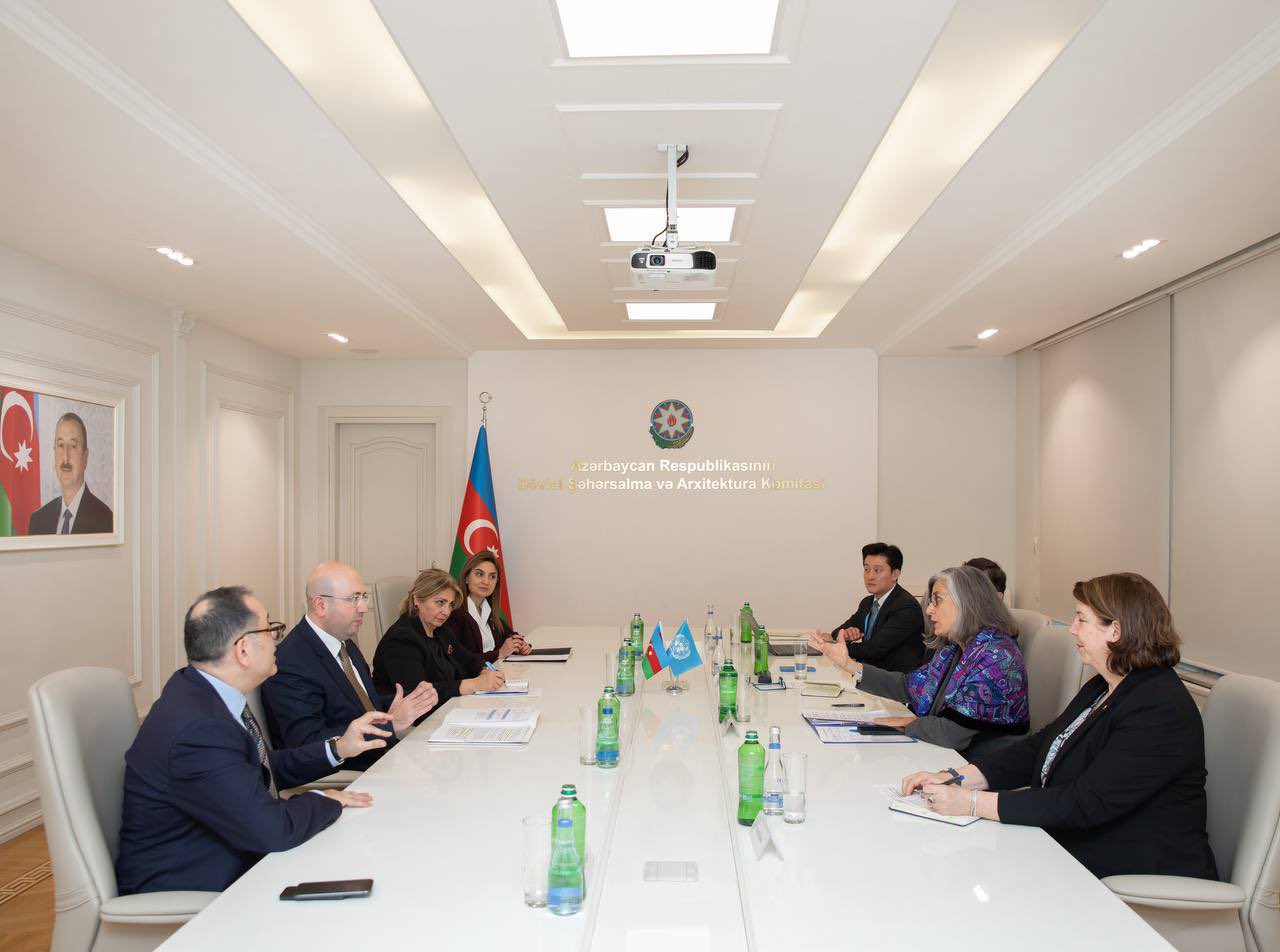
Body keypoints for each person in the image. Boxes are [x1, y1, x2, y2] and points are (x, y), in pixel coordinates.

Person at [902, 573, 1217, 881]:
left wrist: (971, 803)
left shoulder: (1159, 708)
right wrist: (956, 777)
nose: (1072, 629)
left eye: (1081, 619)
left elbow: (1085, 803)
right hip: (1074, 848)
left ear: (1115, 631)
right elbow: (1041, 746)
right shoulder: (1105, 685)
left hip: (1129, 869)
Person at [115, 586, 390, 894]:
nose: (277, 640)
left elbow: (258, 767)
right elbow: (273, 829)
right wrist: (326, 800)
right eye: (270, 629)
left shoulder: (202, 693)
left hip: (240, 855)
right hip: (200, 887)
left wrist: (338, 747)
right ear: (243, 650)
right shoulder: (200, 728)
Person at [809, 565, 1028, 752]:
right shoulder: (956, 648)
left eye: (937, 601)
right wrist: (848, 664)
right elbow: (909, 686)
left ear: (966, 603)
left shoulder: (996, 657)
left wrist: (910, 723)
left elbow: (952, 734)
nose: (930, 610)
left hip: (982, 767)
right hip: (947, 753)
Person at [261, 562, 437, 770]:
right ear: (321, 605)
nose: (364, 608)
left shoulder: (343, 642)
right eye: (354, 599)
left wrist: (411, 702)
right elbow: (308, 744)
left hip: (381, 757)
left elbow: (361, 703)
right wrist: (391, 724)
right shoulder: (292, 662)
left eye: (364, 597)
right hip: (349, 773)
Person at [372, 568, 506, 718]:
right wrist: (473, 684)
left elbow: (468, 661)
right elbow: (418, 695)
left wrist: (484, 670)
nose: (446, 612)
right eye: (440, 603)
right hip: (412, 723)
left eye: (450, 604)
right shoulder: (401, 639)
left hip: (445, 710)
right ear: (417, 600)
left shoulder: (440, 630)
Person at [813, 542, 924, 673]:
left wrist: (831, 648)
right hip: (869, 673)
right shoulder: (867, 603)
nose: (870, 576)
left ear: (895, 574)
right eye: (866, 569)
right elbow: (838, 631)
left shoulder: (906, 607)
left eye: (877, 570)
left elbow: (874, 649)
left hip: (895, 679)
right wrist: (845, 635)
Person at [28, 411, 113, 534]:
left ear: (85, 457)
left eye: (73, 446)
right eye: (61, 445)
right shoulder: (38, 520)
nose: (65, 457)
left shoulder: (106, 520)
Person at [440, 550, 531, 662]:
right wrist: (499, 654)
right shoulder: (455, 613)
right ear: (467, 577)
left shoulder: (488, 610)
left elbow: (510, 635)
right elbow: (456, 659)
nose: (486, 582)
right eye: (479, 574)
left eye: (492, 576)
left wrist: (521, 645)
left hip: (496, 669)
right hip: (476, 673)